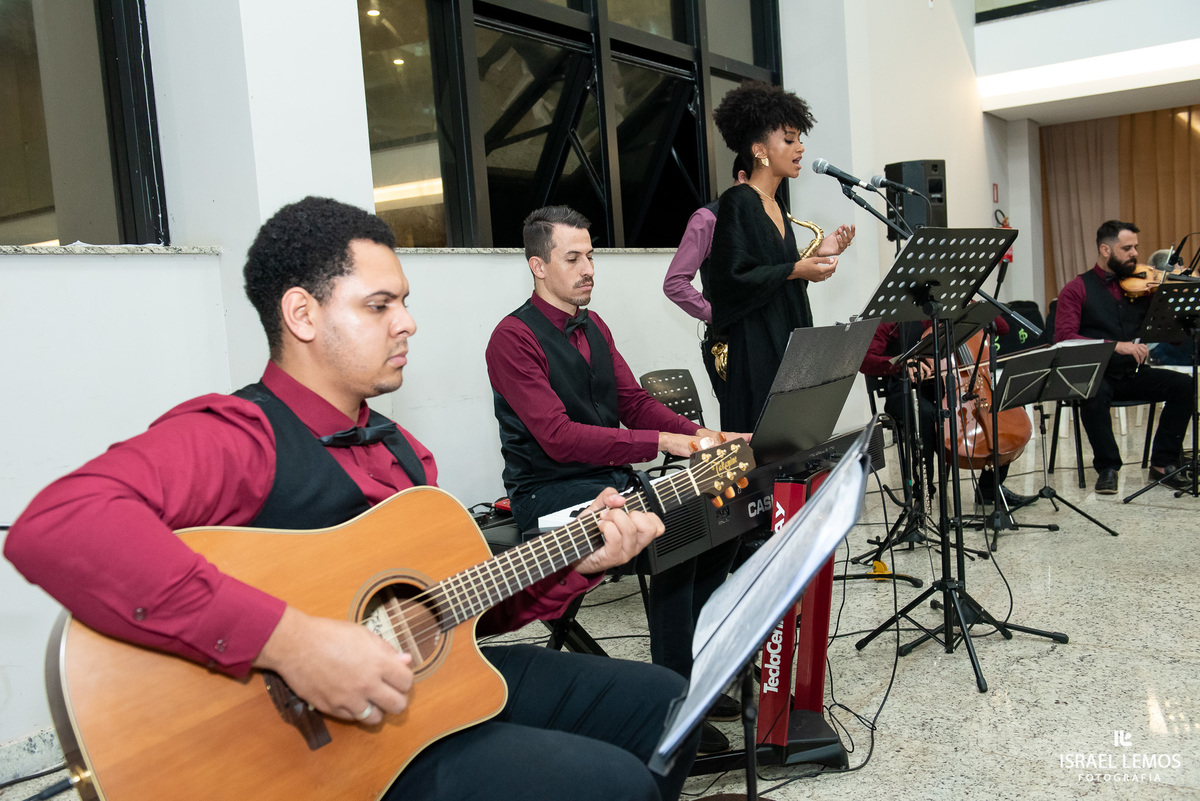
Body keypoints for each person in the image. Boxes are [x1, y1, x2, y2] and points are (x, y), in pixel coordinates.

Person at [5, 197, 699, 801]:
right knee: (613, 784)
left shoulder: (401, 451)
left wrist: (571, 565)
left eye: (404, 302)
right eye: (379, 305)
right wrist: (292, 641)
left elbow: (454, 616)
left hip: (424, 697)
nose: (408, 324)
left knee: (668, 704)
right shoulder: (242, 435)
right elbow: (58, 525)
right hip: (328, 752)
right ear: (302, 314)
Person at [486, 205, 745, 754]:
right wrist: (662, 444)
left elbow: (632, 401)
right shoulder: (511, 338)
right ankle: (676, 701)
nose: (588, 269)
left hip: (607, 478)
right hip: (547, 490)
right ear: (538, 265)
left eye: (591, 256)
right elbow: (557, 437)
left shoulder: (594, 324)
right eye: (573, 258)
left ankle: (695, 671)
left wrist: (702, 435)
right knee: (674, 529)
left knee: (715, 510)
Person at [703, 79, 855, 432]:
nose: (800, 148)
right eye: (789, 139)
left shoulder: (777, 204)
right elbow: (729, 281)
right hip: (757, 350)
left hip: (788, 341)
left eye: (800, 139)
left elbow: (772, 270)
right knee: (768, 453)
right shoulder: (737, 201)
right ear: (759, 150)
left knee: (797, 443)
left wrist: (817, 252)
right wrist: (796, 268)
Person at [1053, 219, 1192, 495]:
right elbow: (1064, 339)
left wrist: (1177, 296)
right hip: (1095, 374)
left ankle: (1163, 464)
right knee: (1093, 394)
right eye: (1127, 248)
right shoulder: (1077, 288)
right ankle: (1108, 467)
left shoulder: (1143, 287)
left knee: (1184, 386)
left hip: (1131, 374)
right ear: (1105, 250)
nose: (1135, 254)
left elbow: (1171, 335)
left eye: (1136, 248)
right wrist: (1116, 345)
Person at [860, 318, 1037, 508]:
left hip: (958, 386)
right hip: (909, 389)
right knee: (925, 414)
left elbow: (1003, 327)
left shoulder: (957, 307)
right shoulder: (894, 316)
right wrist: (902, 364)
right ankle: (923, 491)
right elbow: (865, 360)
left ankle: (990, 488)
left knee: (1003, 407)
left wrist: (972, 302)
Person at [663, 158, 748, 392]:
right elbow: (675, 283)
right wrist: (718, 315)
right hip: (728, 343)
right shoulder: (708, 218)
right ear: (742, 177)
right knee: (741, 427)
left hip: (761, 339)